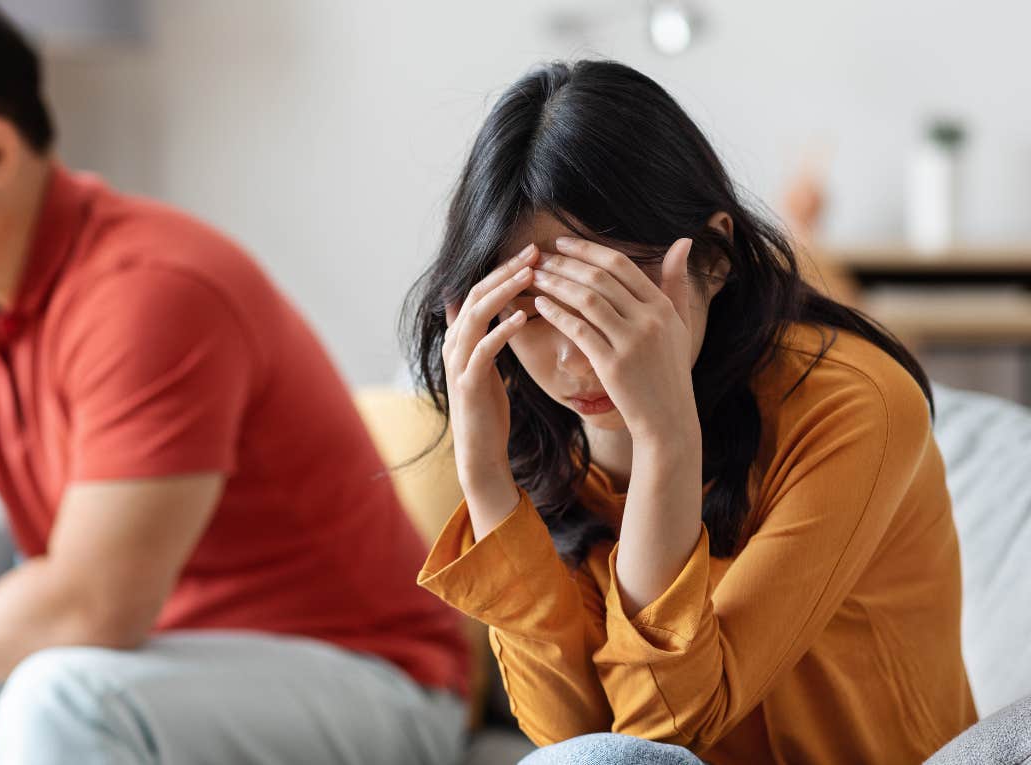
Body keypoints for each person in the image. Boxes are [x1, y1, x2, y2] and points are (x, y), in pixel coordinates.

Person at [0, 1, 468, 762]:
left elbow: (94, 606)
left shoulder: (152, 292)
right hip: (149, 669)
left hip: (368, 678)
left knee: (61, 696)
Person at [405, 60, 975, 764]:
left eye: (614, 298)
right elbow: (570, 737)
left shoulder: (855, 406)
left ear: (715, 257)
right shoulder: (530, 415)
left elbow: (662, 730)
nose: (575, 361)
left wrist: (665, 442)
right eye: (531, 308)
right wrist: (487, 480)